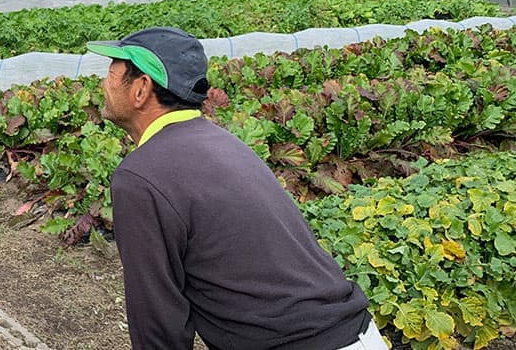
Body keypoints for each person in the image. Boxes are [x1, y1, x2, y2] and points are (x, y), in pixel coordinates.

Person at [86, 27, 387, 350]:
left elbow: (159, 320)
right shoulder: (223, 142)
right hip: (358, 334)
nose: (104, 84)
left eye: (111, 73)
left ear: (141, 89)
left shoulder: (140, 177)